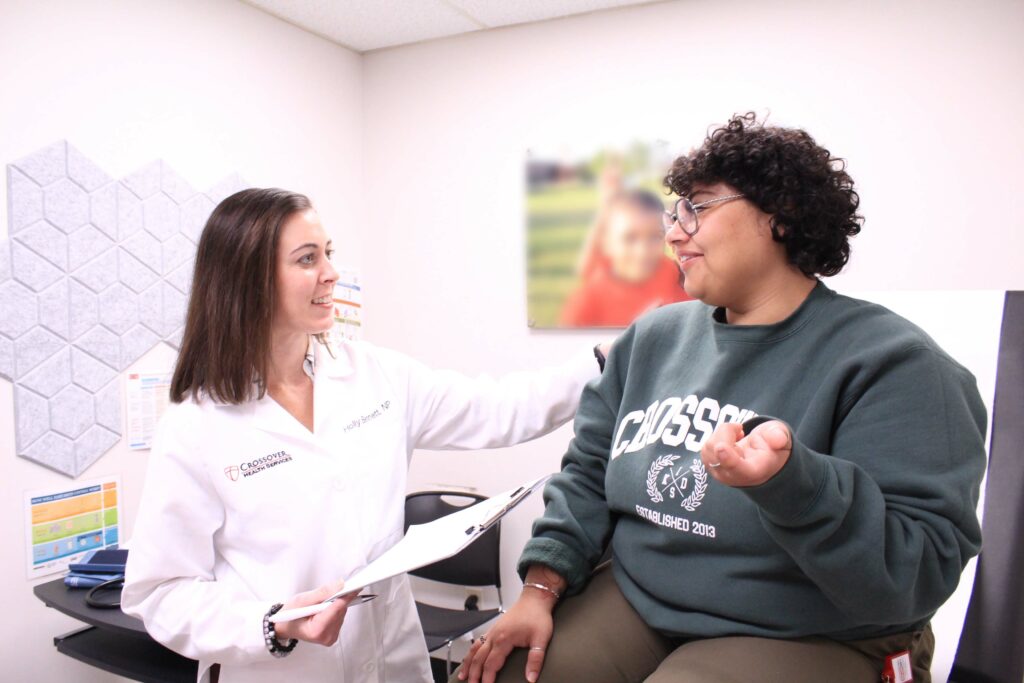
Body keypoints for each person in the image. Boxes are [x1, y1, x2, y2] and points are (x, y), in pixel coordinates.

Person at [457, 113, 987, 683]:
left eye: (698, 208)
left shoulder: (898, 365)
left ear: (778, 216)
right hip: (645, 597)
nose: (674, 232)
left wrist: (793, 485)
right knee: (508, 673)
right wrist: (539, 589)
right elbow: (586, 474)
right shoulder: (651, 339)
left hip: (809, 627)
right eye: (674, 211)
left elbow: (917, 569)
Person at [121, 188, 608, 683]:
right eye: (307, 259)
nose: (331, 273)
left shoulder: (371, 375)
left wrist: (612, 360)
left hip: (389, 655)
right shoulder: (198, 425)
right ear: (249, 281)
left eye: (327, 253)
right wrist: (270, 624)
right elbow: (159, 591)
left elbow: (502, 409)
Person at [560, 168, 690, 327]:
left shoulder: (680, 279)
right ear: (606, 244)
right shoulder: (588, 301)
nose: (642, 251)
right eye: (630, 238)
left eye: (655, 237)